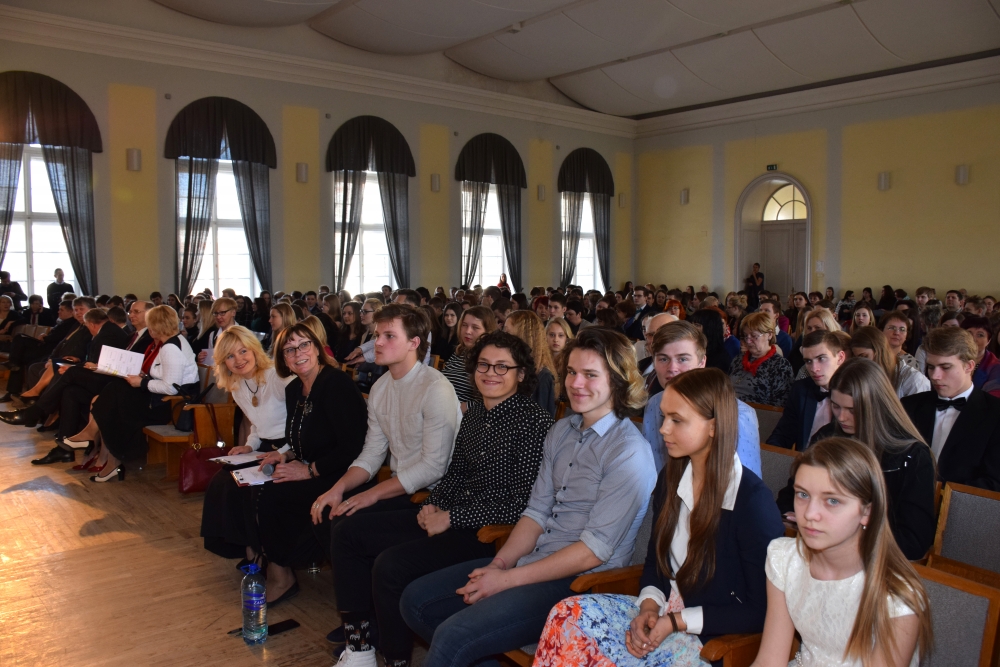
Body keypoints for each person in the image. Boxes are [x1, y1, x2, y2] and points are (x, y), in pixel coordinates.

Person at [399, 328, 656, 667]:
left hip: (581, 584)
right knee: (415, 601)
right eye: (571, 372)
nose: (576, 383)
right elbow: (535, 512)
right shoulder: (562, 430)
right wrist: (499, 564)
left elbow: (592, 552)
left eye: (590, 374)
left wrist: (506, 580)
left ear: (618, 382)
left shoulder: (628, 452)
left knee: (453, 635)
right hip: (535, 560)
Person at [319, 332, 551, 667]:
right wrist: (433, 504)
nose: (491, 373)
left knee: (391, 565)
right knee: (348, 532)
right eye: (484, 364)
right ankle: (360, 647)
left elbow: (522, 505)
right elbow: (455, 474)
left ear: (521, 374)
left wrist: (451, 518)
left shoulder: (534, 423)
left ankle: (396, 660)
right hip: (450, 518)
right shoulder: (474, 414)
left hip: (490, 536)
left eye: (502, 367)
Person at [535, 368, 783, 666]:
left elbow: (761, 610)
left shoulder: (752, 502)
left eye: (677, 420)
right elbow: (656, 562)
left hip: (710, 634)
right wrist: (649, 607)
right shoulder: (671, 477)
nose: (663, 429)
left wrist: (676, 621)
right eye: (664, 417)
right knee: (567, 614)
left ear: (714, 427)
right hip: (666, 612)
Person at [750, 438, 932, 667]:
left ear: (867, 512)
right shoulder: (785, 559)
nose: (810, 514)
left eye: (832, 501)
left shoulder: (896, 596)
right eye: (803, 495)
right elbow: (770, 660)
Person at [776, 359, 936, 560]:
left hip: (876, 561)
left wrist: (841, 533)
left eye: (852, 410)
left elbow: (914, 542)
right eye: (836, 406)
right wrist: (791, 513)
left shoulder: (912, 455)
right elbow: (790, 493)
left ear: (875, 406)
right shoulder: (827, 436)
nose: (841, 417)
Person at [254, 323, 368, 604]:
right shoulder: (295, 388)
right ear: (283, 359)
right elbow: (302, 436)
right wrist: (286, 455)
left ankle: (282, 575)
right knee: (256, 486)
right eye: (289, 350)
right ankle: (267, 561)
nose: (298, 353)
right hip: (315, 467)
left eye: (304, 345)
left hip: (344, 473)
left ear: (317, 349)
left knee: (272, 495)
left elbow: (352, 447)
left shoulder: (336, 384)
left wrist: (308, 470)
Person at [200, 326, 291, 562]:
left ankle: (260, 551)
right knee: (222, 481)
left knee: (248, 488)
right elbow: (256, 423)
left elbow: (301, 424)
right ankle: (246, 547)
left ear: (254, 350)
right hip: (265, 447)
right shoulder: (238, 385)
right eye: (230, 356)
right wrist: (249, 446)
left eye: (243, 351)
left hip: (291, 448)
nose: (238, 360)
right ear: (223, 362)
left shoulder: (277, 377)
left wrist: (283, 452)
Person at [79, 305, 200, 482]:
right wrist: (143, 376)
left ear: (156, 325)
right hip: (161, 400)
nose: (148, 328)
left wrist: (141, 382)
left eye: (150, 324)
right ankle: (110, 456)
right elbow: (164, 375)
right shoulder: (170, 343)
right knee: (114, 393)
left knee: (114, 399)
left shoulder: (170, 348)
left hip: (170, 406)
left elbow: (171, 388)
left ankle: (104, 450)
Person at [642, 321, 762, 476]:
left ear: (702, 362)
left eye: (682, 359)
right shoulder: (653, 404)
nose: (672, 368)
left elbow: (747, 483)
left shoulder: (738, 414)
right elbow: (652, 470)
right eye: (663, 359)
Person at [901, 327, 1000, 490]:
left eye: (945, 367)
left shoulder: (995, 414)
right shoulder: (909, 406)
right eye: (931, 367)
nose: (935, 376)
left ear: (969, 366)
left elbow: (993, 482)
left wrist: (941, 496)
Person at [0, 308, 130, 430]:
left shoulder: (107, 335)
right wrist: (78, 362)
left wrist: (77, 366)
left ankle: (35, 411)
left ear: (91, 324)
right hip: (103, 372)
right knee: (61, 366)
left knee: (68, 371)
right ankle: (37, 410)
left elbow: (98, 363)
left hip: (108, 379)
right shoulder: (108, 330)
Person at [766, 330, 848, 451]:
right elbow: (784, 433)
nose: (814, 369)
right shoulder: (801, 389)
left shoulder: (855, 393)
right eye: (808, 361)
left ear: (840, 358)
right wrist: (769, 455)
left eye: (821, 358)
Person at [729, 312, 793, 407]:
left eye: (754, 336)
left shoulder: (780, 366)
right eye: (746, 336)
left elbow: (779, 406)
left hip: (760, 413)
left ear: (769, 335)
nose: (748, 341)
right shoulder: (738, 360)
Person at [440, 306, 497, 411]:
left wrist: (453, 410)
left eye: (475, 327)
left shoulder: (487, 360)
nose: (468, 331)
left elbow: (486, 402)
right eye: (464, 325)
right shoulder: (461, 352)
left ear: (487, 332)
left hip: (461, 415)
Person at [504, 310, 558, 417]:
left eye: (508, 333)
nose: (503, 338)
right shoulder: (510, 366)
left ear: (523, 337)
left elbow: (542, 420)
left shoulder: (543, 377)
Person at [850, 326, 930, 399]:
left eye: (864, 356)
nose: (861, 364)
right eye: (857, 359)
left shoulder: (914, 380)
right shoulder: (866, 378)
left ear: (879, 351)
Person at [960, 316, 1000, 396]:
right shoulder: (950, 358)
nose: (973, 339)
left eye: (980, 335)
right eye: (969, 333)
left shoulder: (996, 367)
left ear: (988, 340)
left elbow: (993, 397)